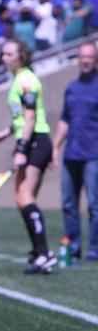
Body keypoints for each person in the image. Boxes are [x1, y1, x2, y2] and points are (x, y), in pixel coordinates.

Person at [0, 40, 57, 274]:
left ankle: (44, 253)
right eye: (3, 54)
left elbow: (30, 119)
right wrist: (6, 133)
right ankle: (39, 252)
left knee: (25, 196)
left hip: (36, 141)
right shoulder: (18, 79)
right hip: (30, 140)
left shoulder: (26, 80)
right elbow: (21, 118)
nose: (4, 58)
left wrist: (21, 149)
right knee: (21, 198)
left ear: (21, 56)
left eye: (9, 54)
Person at [52, 41, 98, 261]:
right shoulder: (71, 88)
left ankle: (95, 248)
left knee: (94, 205)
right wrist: (55, 147)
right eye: (82, 57)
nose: (86, 60)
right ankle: (74, 246)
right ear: (78, 59)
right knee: (68, 204)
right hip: (71, 154)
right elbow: (65, 120)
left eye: (90, 56)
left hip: (94, 156)